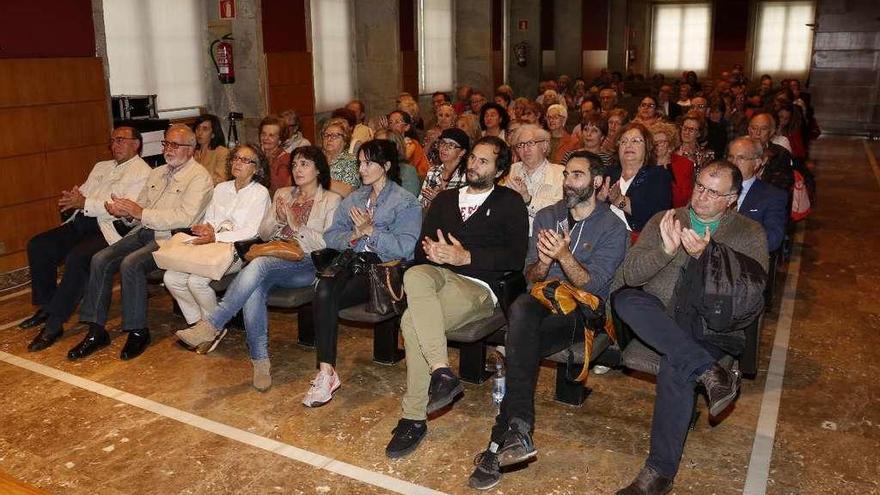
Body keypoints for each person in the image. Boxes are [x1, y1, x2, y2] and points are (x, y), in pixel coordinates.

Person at [467, 151, 628, 490]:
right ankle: (518, 430)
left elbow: (595, 285)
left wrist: (564, 256)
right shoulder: (547, 215)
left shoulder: (612, 226)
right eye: (567, 174)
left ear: (597, 182)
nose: (569, 182)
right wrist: (543, 262)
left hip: (582, 311)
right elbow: (528, 277)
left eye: (578, 176)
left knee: (521, 339)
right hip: (542, 300)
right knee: (523, 308)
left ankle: (503, 436)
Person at [613, 161, 768, 495]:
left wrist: (707, 256)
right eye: (699, 186)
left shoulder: (748, 232)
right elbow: (631, 274)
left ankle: (659, 472)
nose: (702, 196)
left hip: (711, 325)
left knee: (675, 366)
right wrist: (666, 250)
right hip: (663, 318)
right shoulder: (665, 219)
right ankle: (709, 370)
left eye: (714, 192)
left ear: (731, 198)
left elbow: (751, 297)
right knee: (625, 299)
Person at [384, 136, 529, 459]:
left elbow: (515, 257)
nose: (474, 165)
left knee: (410, 320)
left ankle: (414, 417)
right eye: (473, 158)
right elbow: (423, 248)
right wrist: (434, 254)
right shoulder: (446, 200)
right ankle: (442, 372)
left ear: (500, 169)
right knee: (414, 273)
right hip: (437, 277)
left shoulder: (509, 202)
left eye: (483, 161)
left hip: (480, 285)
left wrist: (465, 257)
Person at [176, 146, 341, 390]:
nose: (298, 169)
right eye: (294, 164)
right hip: (275, 253)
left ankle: (212, 324)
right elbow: (263, 233)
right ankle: (260, 361)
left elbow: (328, 242)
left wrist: (295, 225)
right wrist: (278, 218)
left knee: (258, 264)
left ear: (318, 169)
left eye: (304, 164)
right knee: (254, 286)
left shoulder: (331, 199)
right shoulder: (283, 193)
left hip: (306, 263)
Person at [68, 124, 213, 361]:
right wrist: (124, 211)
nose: (168, 149)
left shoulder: (200, 178)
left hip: (172, 238)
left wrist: (140, 213)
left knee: (131, 264)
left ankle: (138, 331)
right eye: (166, 143)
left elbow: (185, 217)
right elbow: (140, 209)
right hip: (143, 231)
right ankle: (95, 331)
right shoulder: (157, 172)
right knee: (100, 258)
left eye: (175, 145)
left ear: (191, 148)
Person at [302, 139, 422, 407]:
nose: (362, 169)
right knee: (323, 287)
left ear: (386, 165)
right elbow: (331, 236)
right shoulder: (355, 198)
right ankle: (326, 372)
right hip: (353, 265)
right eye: (360, 163)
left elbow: (406, 248)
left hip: (383, 273)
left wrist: (372, 232)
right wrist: (355, 234)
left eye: (368, 163)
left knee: (327, 292)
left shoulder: (406, 203)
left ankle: (326, 373)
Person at [23, 126, 151, 352]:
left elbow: (119, 207)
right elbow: (82, 194)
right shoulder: (101, 167)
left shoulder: (143, 172)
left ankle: (54, 323)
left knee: (78, 258)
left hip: (109, 229)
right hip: (81, 222)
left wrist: (85, 203)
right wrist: (72, 201)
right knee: (39, 245)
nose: (115, 145)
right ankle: (47, 305)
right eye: (112, 141)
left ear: (136, 144)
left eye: (121, 140)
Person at [162, 144, 271, 327]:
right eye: (236, 158)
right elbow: (210, 219)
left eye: (245, 160)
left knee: (196, 282)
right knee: (170, 278)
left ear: (256, 167)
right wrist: (206, 229)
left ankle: (214, 326)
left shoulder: (260, 193)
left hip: (238, 249)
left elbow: (252, 231)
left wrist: (216, 237)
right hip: (210, 246)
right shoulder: (221, 188)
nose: (238, 163)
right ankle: (198, 324)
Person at [599, 123, 672, 239]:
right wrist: (599, 200)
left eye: (636, 141)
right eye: (623, 141)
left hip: (637, 241)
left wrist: (619, 200)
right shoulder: (608, 173)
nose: (628, 145)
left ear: (647, 147)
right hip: (602, 236)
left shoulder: (658, 176)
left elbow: (655, 217)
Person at [728, 137, 788, 252]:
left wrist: (734, 241)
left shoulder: (772, 196)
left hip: (744, 258)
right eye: (731, 157)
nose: (733, 163)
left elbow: (773, 239)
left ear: (756, 163)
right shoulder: (714, 187)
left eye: (741, 158)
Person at [503, 124, 565, 234]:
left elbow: (560, 211)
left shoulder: (560, 174)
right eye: (520, 145)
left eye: (530, 143)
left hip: (545, 235)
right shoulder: (511, 170)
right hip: (512, 234)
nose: (525, 149)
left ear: (544, 146)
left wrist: (528, 199)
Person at [419, 127, 470, 209]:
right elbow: (420, 205)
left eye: (451, 145)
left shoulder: (467, 177)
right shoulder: (433, 172)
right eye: (443, 143)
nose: (444, 148)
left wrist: (440, 200)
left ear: (462, 152)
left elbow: (464, 211)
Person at [650, 121, 695, 208]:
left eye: (662, 142)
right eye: (655, 142)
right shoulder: (646, 165)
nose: (657, 145)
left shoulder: (685, 165)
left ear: (670, 145)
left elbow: (685, 198)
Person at [748, 112, 794, 193]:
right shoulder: (738, 149)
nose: (758, 133)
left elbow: (782, 185)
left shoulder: (781, 154)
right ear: (748, 130)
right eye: (754, 128)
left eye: (763, 129)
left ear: (771, 132)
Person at [372, 128, 423, 198]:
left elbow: (407, 202)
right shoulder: (370, 168)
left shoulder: (407, 172)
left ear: (396, 147)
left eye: (382, 145)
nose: (377, 149)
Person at [321, 117, 361, 197]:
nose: (329, 139)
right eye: (326, 135)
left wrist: (318, 179)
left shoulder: (351, 161)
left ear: (345, 139)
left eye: (335, 136)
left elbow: (348, 191)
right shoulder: (315, 158)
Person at [388, 110, 430, 179]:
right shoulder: (387, 143)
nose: (392, 125)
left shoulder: (412, 144)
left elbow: (402, 160)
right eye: (390, 122)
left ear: (407, 127)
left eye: (397, 122)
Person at [258, 116, 291, 197]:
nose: (266, 138)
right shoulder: (256, 155)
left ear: (280, 140)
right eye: (263, 134)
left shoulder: (286, 159)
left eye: (271, 135)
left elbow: (279, 190)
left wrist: (266, 162)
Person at [192, 114, 230, 184]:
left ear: (213, 134)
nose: (199, 133)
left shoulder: (222, 152)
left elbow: (221, 179)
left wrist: (196, 182)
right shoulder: (192, 152)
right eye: (198, 128)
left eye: (205, 129)